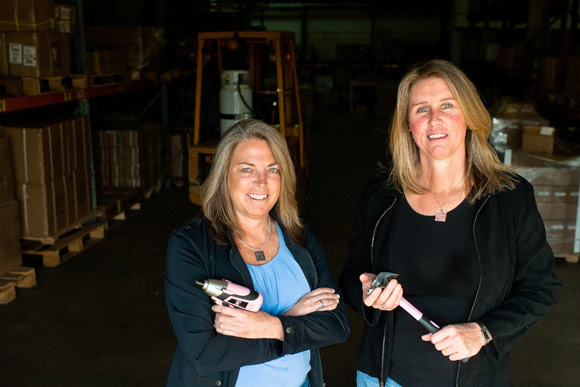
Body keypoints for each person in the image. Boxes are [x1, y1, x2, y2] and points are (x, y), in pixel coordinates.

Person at [339, 59, 561, 387]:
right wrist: (367, 294)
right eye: (421, 109)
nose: (434, 119)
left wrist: (483, 332)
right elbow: (351, 276)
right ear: (408, 125)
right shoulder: (381, 198)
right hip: (383, 379)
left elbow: (540, 288)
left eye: (447, 105)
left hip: (474, 378)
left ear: (469, 116)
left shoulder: (510, 199)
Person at [165, 119, 349, 387]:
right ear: (223, 175)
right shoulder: (191, 246)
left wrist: (271, 326)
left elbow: (336, 324)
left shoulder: (300, 238)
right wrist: (291, 322)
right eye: (246, 169)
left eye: (272, 169)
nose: (261, 182)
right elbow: (206, 354)